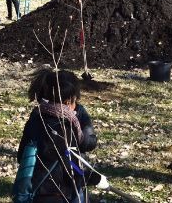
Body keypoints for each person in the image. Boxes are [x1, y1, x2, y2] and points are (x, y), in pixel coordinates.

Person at [15, 68, 107, 202]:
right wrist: (93, 178)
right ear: (68, 101)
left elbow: (22, 155)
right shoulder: (66, 125)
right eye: (75, 100)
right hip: (62, 192)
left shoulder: (38, 115)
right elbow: (70, 165)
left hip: (38, 190)